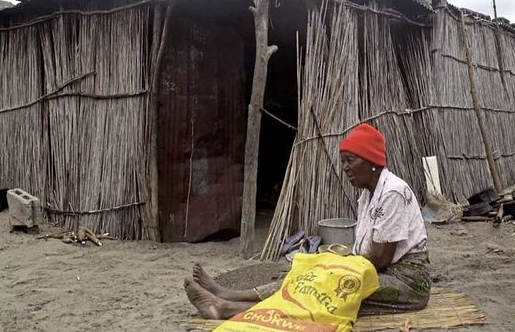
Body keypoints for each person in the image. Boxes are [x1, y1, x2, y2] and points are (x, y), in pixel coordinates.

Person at [184, 123, 431, 319]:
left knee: (321, 289)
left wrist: (334, 269)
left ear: (372, 162)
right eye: (342, 161)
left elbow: (380, 259)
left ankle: (226, 308)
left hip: (406, 283)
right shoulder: (368, 195)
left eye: (350, 161)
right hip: (377, 271)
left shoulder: (392, 193)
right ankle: (229, 295)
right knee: (309, 275)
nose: (344, 168)